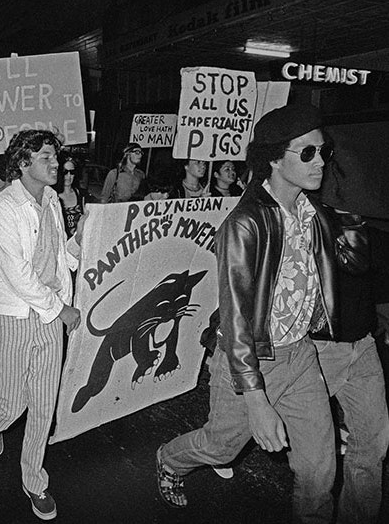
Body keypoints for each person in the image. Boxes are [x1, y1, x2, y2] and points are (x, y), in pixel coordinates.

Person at [155, 104, 340, 523]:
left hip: (301, 356)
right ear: (274, 159)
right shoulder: (245, 223)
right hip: (251, 360)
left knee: (319, 470)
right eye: (306, 153)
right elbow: (236, 318)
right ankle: (170, 459)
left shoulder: (312, 215)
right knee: (221, 446)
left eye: (323, 151)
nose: (320, 162)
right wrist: (256, 398)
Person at [0, 129, 83, 521]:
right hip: (15, 314)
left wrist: (80, 242)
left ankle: (34, 481)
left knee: (43, 404)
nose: (55, 164)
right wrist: (61, 310)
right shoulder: (4, 207)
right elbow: (19, 275)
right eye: (46, 157)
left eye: (55, 157)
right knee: (14, 400)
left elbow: (56, 256)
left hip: (49, 313)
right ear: (23, 163)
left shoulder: (52, 199)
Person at [314, 208, 389, 522]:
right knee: (311, 461)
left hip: (363, 345)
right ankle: (177, 459)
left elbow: (381, 282)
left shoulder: (376, 223)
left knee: (371, 444)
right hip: (318, 347)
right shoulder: (310, 211)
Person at [53, 153, 86, 237]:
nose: (68, 176)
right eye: (65, 172)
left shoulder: (81, 194)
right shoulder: (52, 196)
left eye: (72, 172)